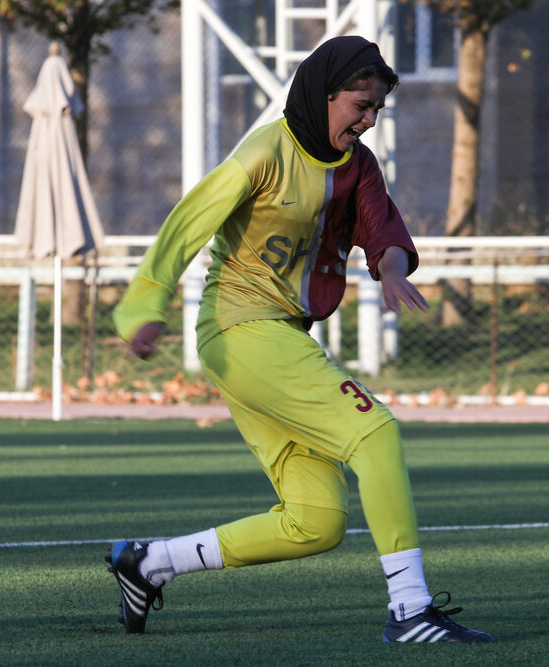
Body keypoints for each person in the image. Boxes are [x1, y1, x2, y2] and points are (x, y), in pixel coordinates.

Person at [104, 35, 495, 644]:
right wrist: (143, 308)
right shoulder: (264, 150)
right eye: (360, 105)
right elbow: (186, 225)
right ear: (323, 92)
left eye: (376, 111)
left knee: (316, 521)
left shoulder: (357, 165)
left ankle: (150, 562)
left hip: (275, 338)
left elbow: (381, 225)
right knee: (376, 432)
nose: (368, 120)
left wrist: (391, 267)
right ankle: (411, 610)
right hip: (241, 329)